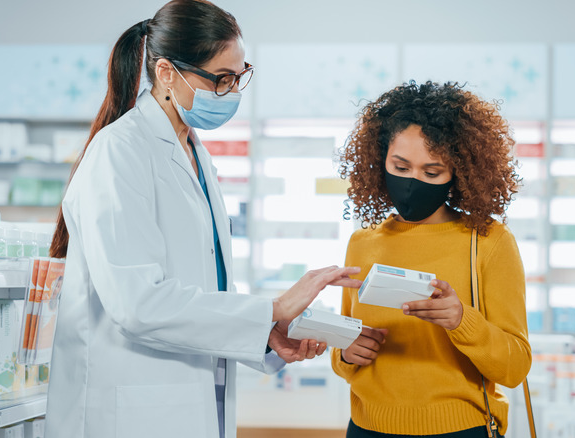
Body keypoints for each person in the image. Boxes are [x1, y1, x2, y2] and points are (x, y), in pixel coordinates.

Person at [43, 1, 362, 437]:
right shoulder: (119, 152)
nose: (231, 92)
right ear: (167, 73)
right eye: (221, 79)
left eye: (239, 77)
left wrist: (267, 333)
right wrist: (269, 310)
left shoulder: (196, 155)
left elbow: (201, 291)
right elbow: (138, 304)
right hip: (129, 407)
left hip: (187, 398)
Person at [331, 81, 532, 438]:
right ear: (381, 161)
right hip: (366, 429)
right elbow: (347, 355)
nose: (413, 182)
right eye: (401, 166)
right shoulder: (362, 243)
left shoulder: (488, 242)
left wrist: (461, 320)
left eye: (432, 172)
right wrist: (346, 353)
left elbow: (515, 367)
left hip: (461, 431)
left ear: (458, 172)